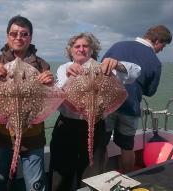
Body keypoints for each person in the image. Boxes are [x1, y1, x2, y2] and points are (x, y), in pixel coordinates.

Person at [49, 32, 141, 191]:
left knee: (92, 176)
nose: (81, 49)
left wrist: (117, 64)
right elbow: (59, 93)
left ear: (92, 50)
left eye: (86, 46)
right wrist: (68, 74)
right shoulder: (64, 68)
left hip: (97, 124)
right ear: (71, 50)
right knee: (61, 176)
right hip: (67, 127)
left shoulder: (104, 69)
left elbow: (135, 72)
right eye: (77, 46)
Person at [0, 15, 54, 191]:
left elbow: (51, 97)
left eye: (24, 34)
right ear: (7, 36)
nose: (18, 38)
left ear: (30, 37)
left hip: (33, 137)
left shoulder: (41, 64)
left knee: (35, 185)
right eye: (14, 34)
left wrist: (51, 82)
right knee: (3, 180)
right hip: (4, 135)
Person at [102, 25, 172, 173]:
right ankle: (127, 180)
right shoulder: (155, 62)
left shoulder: (118, 45)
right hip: (131, 108)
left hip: (107, 105)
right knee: (127, 147)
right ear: (157, 41)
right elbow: (150, 91)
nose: (161, 50)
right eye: (163, 46)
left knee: (101, 146)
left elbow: (101, 68)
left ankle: (101, 181)